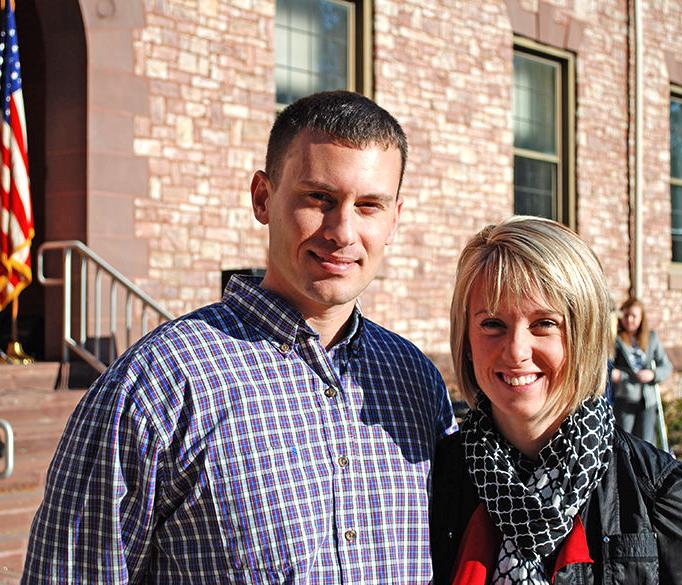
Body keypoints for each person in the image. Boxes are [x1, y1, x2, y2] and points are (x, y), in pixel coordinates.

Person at [23, 91, 456, 583]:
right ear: (263, 198)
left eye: (369, 206)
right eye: (319, 198)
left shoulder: (416, 384)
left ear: (394, 218)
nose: (342, 231)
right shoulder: (158, 383)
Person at [430, 216, 682, 584]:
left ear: (585, 335)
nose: (516, 351)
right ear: (467, 341)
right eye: (492, 324)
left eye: (544, 324)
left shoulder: (664, 498)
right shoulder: (433, 480)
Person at [610, 297, 673, 445]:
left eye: (634, 316)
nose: (630, 320)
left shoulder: (651, 338)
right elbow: (608, 365)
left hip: (647, 400)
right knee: (623, 443)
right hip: (625, 398)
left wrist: (653, 374)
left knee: (646, 444)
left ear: (641, 318)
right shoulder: (615, 339)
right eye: (626, 316)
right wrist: (619, 375)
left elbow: (667, 366)